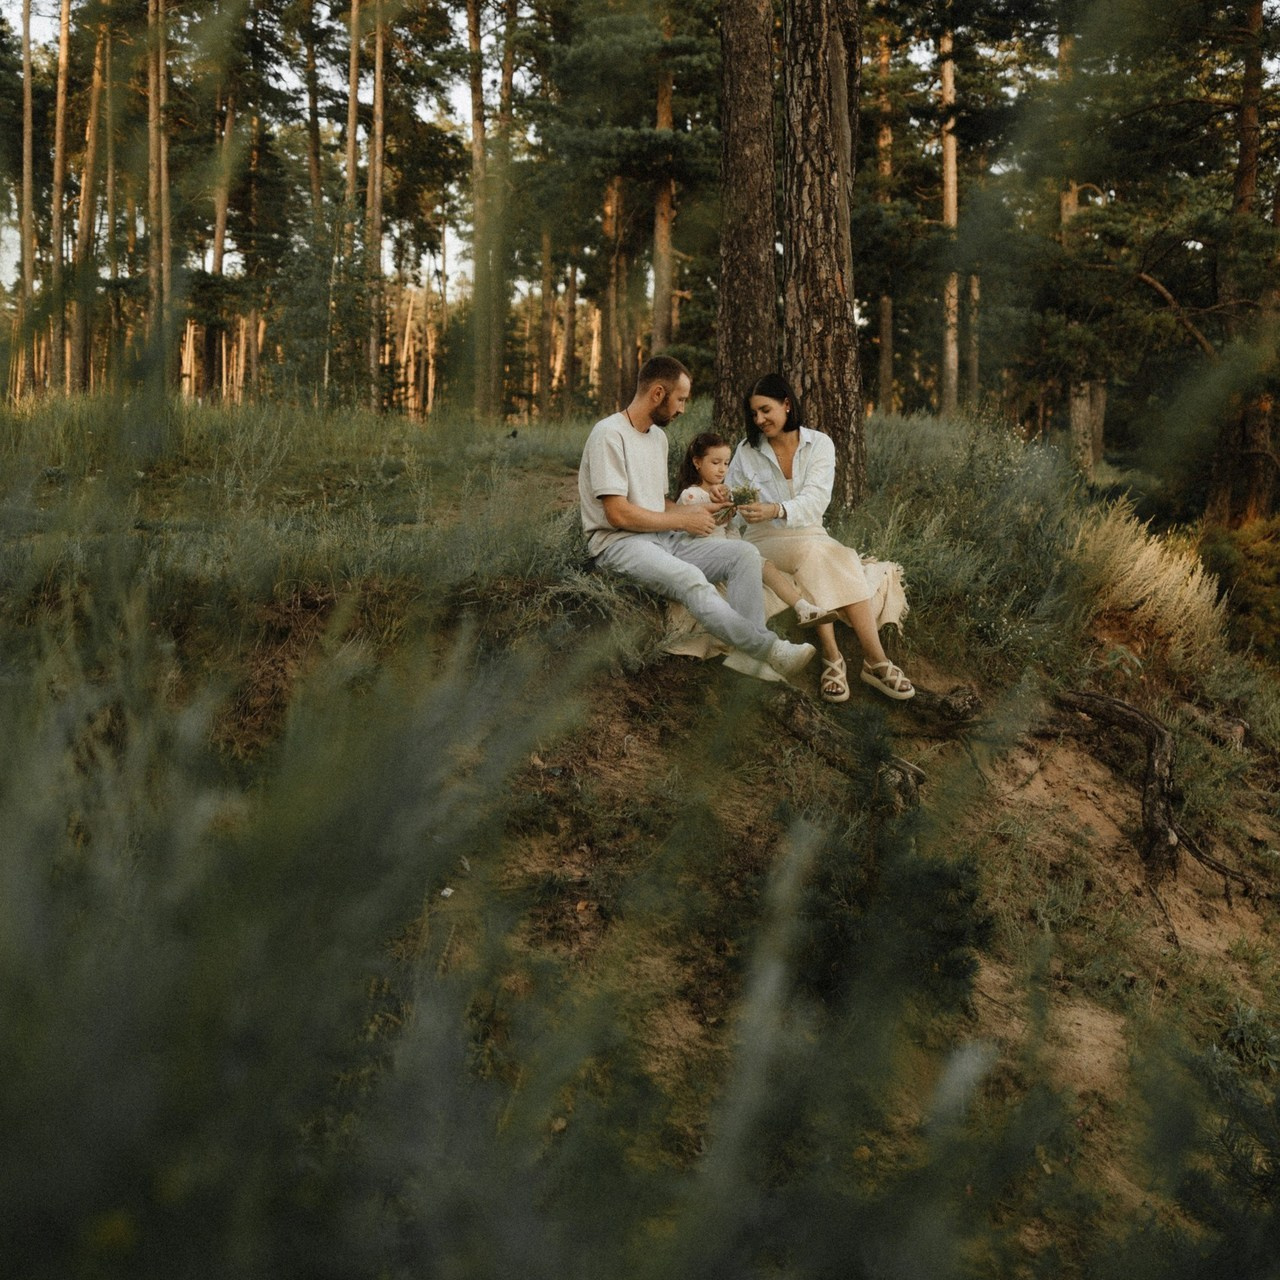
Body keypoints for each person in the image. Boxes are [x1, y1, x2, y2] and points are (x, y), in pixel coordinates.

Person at [578, 356, 816, 683]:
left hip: (660, 540)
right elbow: (617, 513)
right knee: (690, 577)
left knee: (745, 555)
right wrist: (681, 522)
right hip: (617, 545)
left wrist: (701, 511)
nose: (683, 409)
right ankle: (770, 650)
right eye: (681, 399)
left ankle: (747, 657)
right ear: (658, 393)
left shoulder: (657, 438)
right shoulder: (609, 434)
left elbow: (659, 504)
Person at [727, 372, 914, 702]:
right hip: (762, 538)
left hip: (810, 532)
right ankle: (868, 660)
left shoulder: (819, 444)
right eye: (754, 413)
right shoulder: (746, 450)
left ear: (787, 404)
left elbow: (816, 500)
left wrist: (776, 509)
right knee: (829, 554)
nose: (759, 419)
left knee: (831, 554)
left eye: (765, 410)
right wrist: (740, 507)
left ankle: (844, 660)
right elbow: (732, 498)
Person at [674, 431, 827, 627]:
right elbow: (694, 530)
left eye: (726, 463)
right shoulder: (691, 496)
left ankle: (803, 607)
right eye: (715, 462)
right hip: (703, 554)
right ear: (697, 462)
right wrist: (721, 517)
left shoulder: (724, 495)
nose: (722, 470)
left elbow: (732, 532)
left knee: (764, 564)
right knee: (753, 564)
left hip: (729, 552)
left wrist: (736, 517)